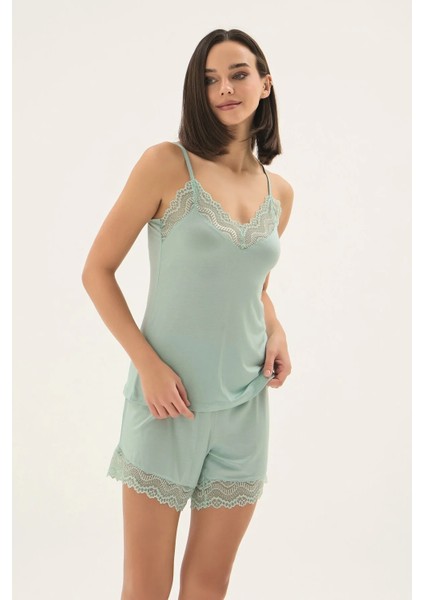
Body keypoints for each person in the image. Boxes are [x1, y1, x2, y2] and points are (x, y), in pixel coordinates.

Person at [82, 27, 294, 600]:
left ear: (265, 84)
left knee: (209, 584)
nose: (225, 88)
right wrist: (147, 366)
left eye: (238, 74)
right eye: (209, 80)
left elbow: (254, 288)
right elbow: (97, 270)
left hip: (245, 406)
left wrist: (276, 328)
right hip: (166, 406)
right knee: (146, 586)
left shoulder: (279, 193)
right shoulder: (166, 164)